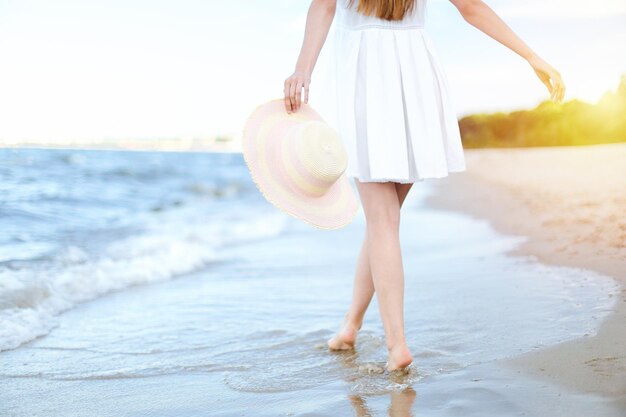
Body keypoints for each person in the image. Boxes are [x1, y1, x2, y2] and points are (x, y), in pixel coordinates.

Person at [282, 0, 565, 373]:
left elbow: (324, 7)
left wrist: (303, 70)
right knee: (384, 219)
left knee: (382, 220)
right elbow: (472, 8)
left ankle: (396, 345)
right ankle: (349, 327)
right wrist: (533, 57)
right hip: (417, 83)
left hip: (366, 79)